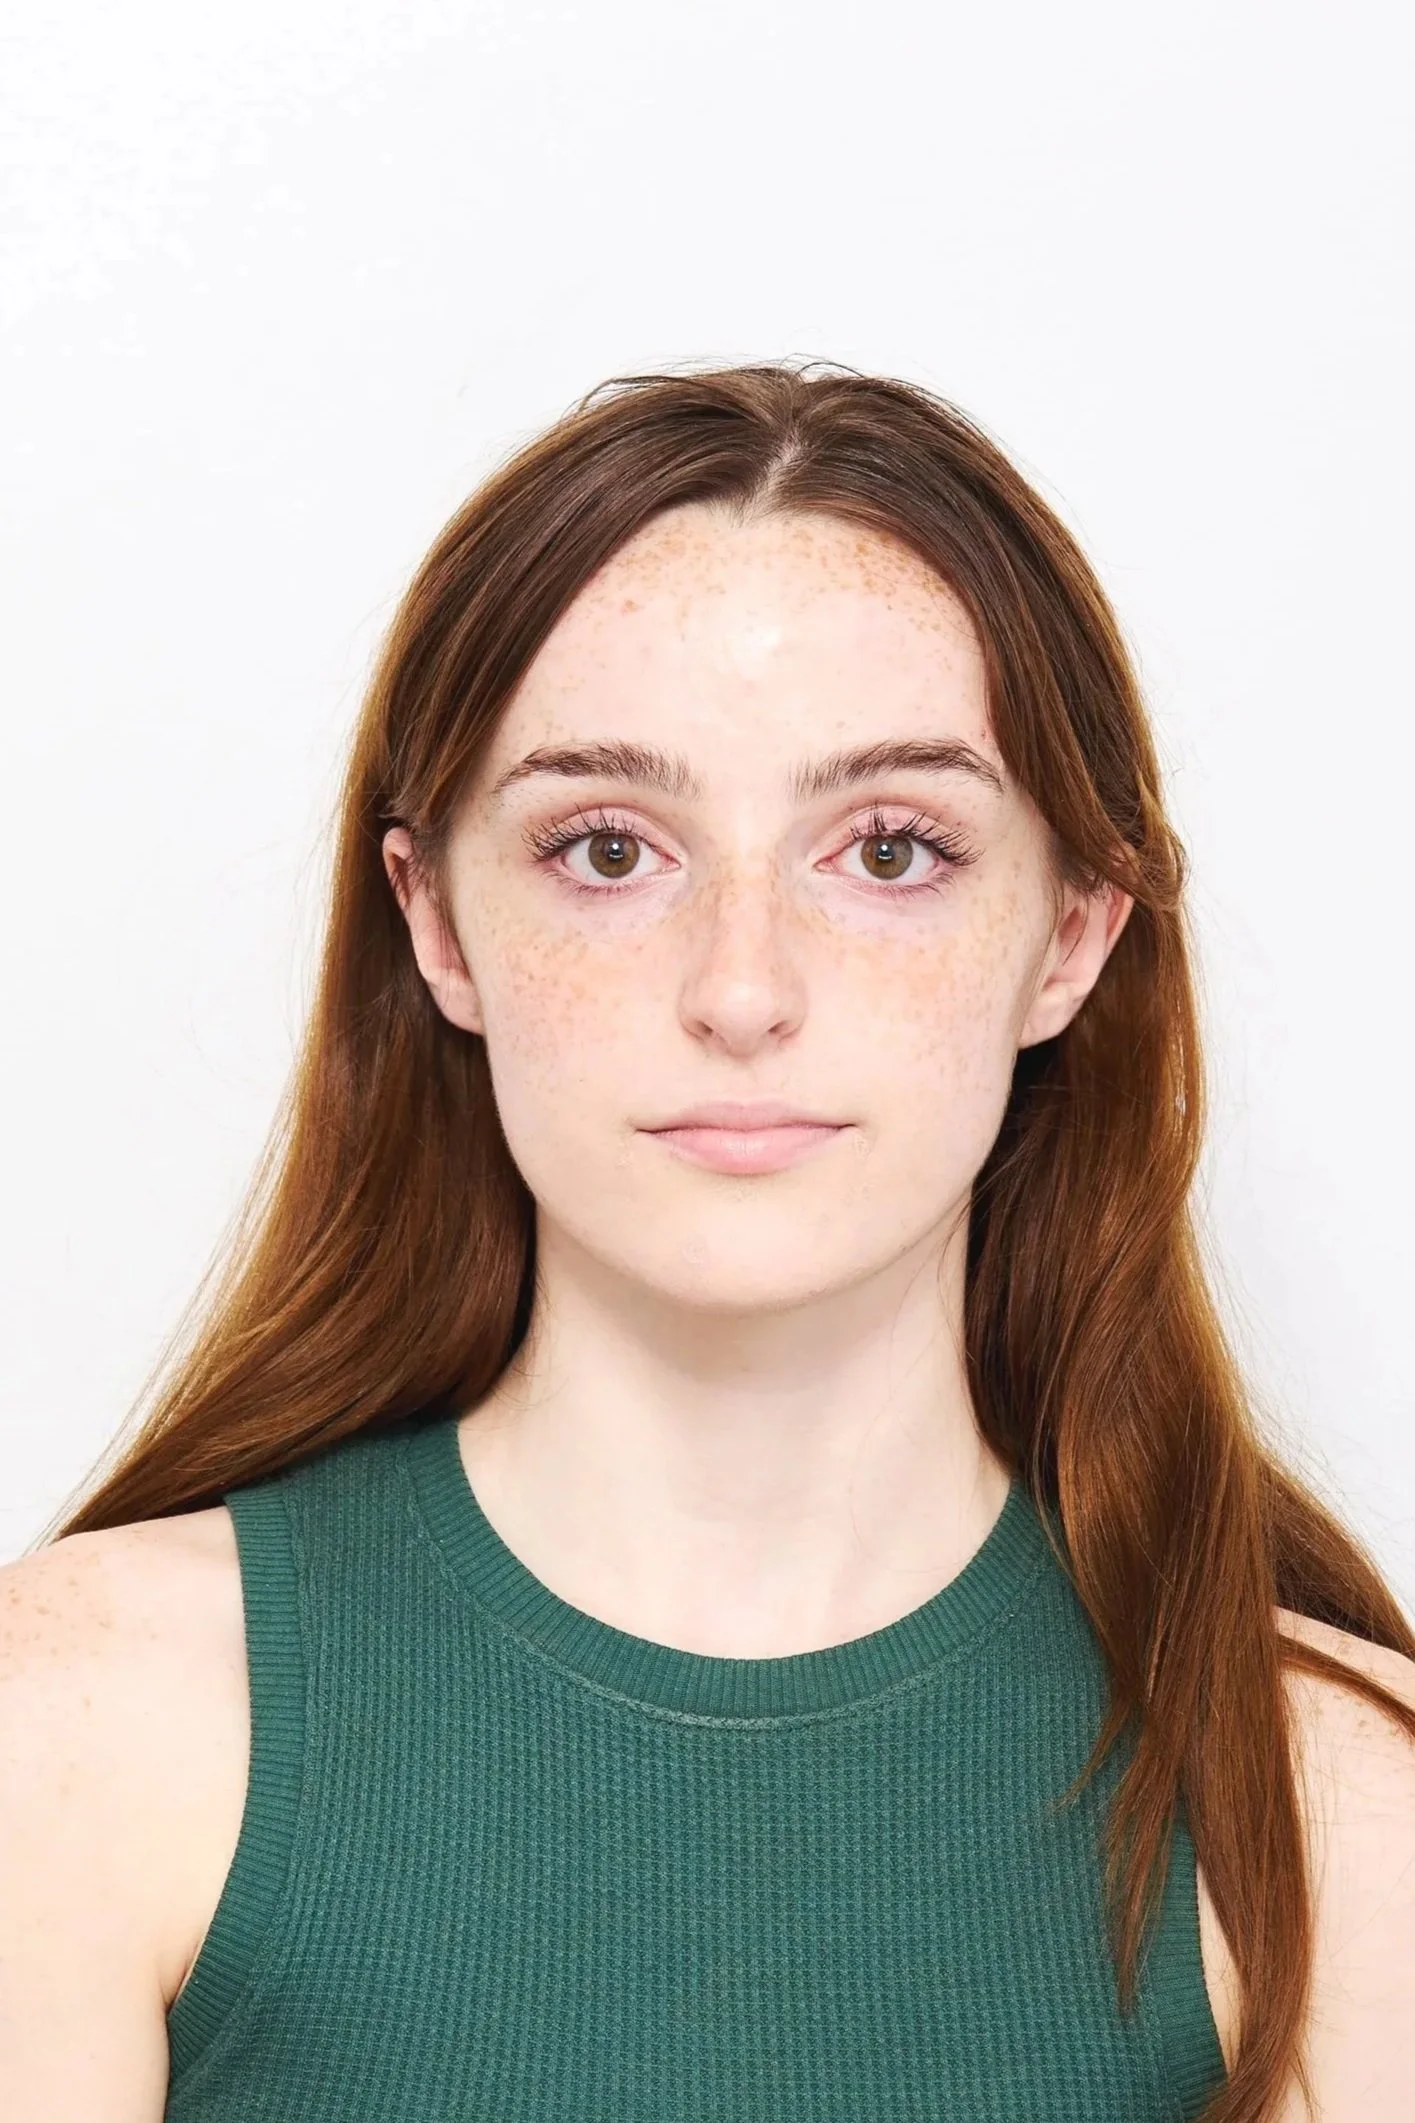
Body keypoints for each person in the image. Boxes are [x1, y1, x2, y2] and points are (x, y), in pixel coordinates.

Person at [2, 362, 1412, 2123]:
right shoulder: (70, 1731)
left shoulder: (1338, 1799)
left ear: (1072, 935)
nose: (742, 988)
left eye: (889, 849)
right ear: (436, 923)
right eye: (608, 849)